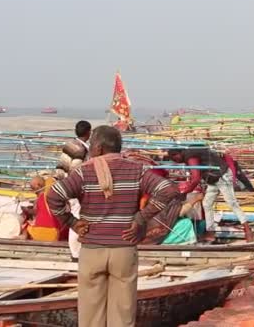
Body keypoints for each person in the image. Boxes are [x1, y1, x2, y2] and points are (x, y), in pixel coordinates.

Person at [47, 126, 182, 327]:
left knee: (91, 318)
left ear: (99, 148)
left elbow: (54, 196)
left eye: (91, 144)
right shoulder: (137, 170)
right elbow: (168, 190)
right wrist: (141, 218)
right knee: (123, 317)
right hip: (124, 248)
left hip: (92, 249)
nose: (90, 148)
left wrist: (71, 222)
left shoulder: (84, 172)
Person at [168, 149, 254, 242]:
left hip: (222, 176)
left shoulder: (190, 155)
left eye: (174, 158)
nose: (175, 160)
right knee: (207, 204)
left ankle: (247, 230)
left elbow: (196, 178)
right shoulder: (189, 155)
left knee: (232, 203)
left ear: (178, 154)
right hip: (213, 179)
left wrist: (185, 193)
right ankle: (210, 232)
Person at [56, 120, 92, 262]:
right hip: (75, 189)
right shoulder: (81, 150)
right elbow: (77, 171)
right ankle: (76, 253)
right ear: (88, 132)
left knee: (75, 217)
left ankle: (77, 251)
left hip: (65, 185)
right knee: (77, 218)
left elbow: (60, 168)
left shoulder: (69, 145)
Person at [24, 176, 69, 241]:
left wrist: (28, 211)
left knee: (26, 225)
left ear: (38, 186)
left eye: (32, 188)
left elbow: (37, 212)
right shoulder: (59, 196)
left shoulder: (42, 197)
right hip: (58, 234)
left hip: (45, 233)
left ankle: (23, 236)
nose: (33, 191)